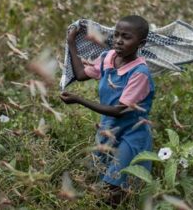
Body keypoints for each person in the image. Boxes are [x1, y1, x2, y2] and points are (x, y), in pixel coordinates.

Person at [59, 15, 155, 207]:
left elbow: (119, 110)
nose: (119, 41)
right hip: (108, 130)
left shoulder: (139, 73)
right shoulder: (108, 58)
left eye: (126, 37)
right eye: (117, 35)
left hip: (131, 134)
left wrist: (80, 100)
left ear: (141, 43)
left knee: (115, 185)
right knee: (101, 178)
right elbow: (80, 74)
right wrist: (71, 43)